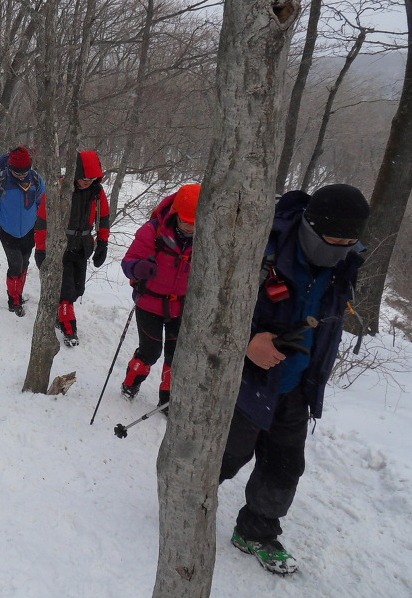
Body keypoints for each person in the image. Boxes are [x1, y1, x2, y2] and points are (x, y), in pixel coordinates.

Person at [220, 184, 370, 576]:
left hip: (298, 384)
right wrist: (246, 342)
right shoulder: (261, 247)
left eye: (349, 242)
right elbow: (209, 305)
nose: (340, 250)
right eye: (333, 241)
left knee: (284, 466)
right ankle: (185, 501)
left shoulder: (345, 264)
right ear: (310, 226)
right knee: (226, 455)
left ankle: (256, 532)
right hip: (245, 379)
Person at [119, 183, 201, 402]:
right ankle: (130, 384)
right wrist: (139, 268)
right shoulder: (153, 230)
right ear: (175, 213)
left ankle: (167, 399)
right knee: (151, 351)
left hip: (182, 306)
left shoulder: (207, 238)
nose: (189, 227)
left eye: (194, 223)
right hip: (149, 302)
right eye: (185, 221)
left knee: (176, 356)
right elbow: (128, 262)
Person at [33, 151, 110, 346]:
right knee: (66, 291)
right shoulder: (60, 189)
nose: (87, 183)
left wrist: (103, 243)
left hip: (83, 247)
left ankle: (60, 312)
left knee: (77, 289)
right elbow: (42, 221)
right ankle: (69, 329)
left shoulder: (97, 192)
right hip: (61, 247)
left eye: (91, 179)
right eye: (84, 178)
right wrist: (41, 249)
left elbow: (104, 217)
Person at [0, 146, 45, 316]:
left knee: (24, 264)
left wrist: (45, 226)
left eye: (24, 172)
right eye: (17, 172)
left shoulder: (36, 180)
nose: (21, 176)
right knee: (15, 265)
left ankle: (18, 293)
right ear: (10, 168)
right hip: (7, 230)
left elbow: (43, 204)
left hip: (29, 230)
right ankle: (13, 300)